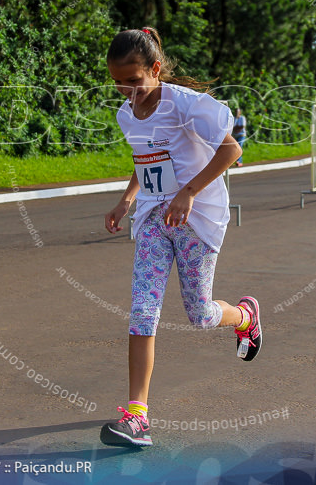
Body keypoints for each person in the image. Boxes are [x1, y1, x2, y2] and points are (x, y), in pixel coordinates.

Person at [101, 27, 262, 448]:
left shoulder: (186, 105)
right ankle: (137, 415)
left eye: (134, 80)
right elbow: (144, 158)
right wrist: (125, 201)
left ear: (155, 69)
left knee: (200, 314)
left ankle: (245, 317)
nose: (127, 90)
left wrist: (189, 191)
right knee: (142, 310)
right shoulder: (125, 113)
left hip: (197, 216)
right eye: (118, 81)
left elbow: (232, 150)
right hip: (155, 217)